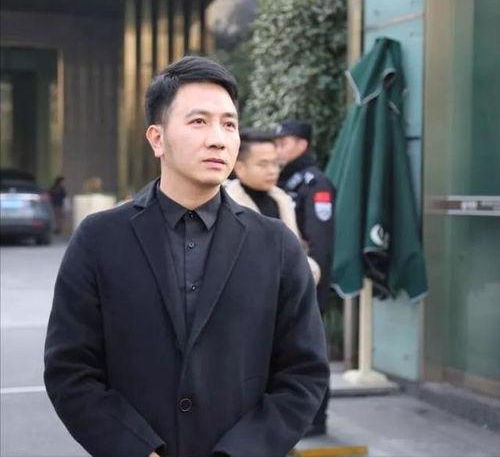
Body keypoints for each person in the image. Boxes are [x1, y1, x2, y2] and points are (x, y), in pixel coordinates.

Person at [44, 56, 329, 457]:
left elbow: (303, 374)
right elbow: (71, 370)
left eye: (228, 124)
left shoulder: (276, 245)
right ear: (157, 138)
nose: (218, 139)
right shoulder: (100, 239)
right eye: (198, 122)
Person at [274, 119, 335, 436]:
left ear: (302, 144)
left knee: (310, 349)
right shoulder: (282, 181)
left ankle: (316, 418)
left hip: (310, 279)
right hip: (287, 280)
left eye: (284, 142)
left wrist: (312, 282)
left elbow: (320, 241)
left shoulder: (316, 183)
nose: (278, 148)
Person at [226, 128, 320, 284]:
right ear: (239, 167)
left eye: (276, 164)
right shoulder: (224, 205)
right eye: (263, 164)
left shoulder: (283, 200)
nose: (272, 171)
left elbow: (295, 255)